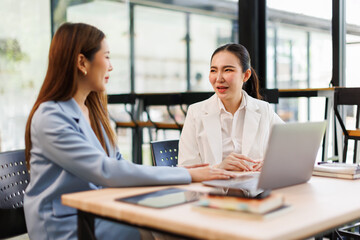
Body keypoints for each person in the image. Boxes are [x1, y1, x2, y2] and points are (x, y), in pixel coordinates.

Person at [23, 23, 234, 240]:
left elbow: (118, 164)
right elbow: (106, 171)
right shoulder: (50, 116)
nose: (111, 67)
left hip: (98, 211)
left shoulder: (92, 111)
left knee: (172, 224)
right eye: (106, 56)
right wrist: (188, 174)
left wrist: (187, 176)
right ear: (81, 62)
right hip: (66, 224)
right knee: (163, 230)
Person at [179, 43, 283, 171]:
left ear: (246, 75)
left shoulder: (264, 110)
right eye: (213, 70)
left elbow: (292, 147)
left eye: (227, 70)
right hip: (213, 189)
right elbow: (186, 170)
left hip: (255, 189)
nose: (218, 78)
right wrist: (219, 168)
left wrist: (272, 163)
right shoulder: (195, 113)